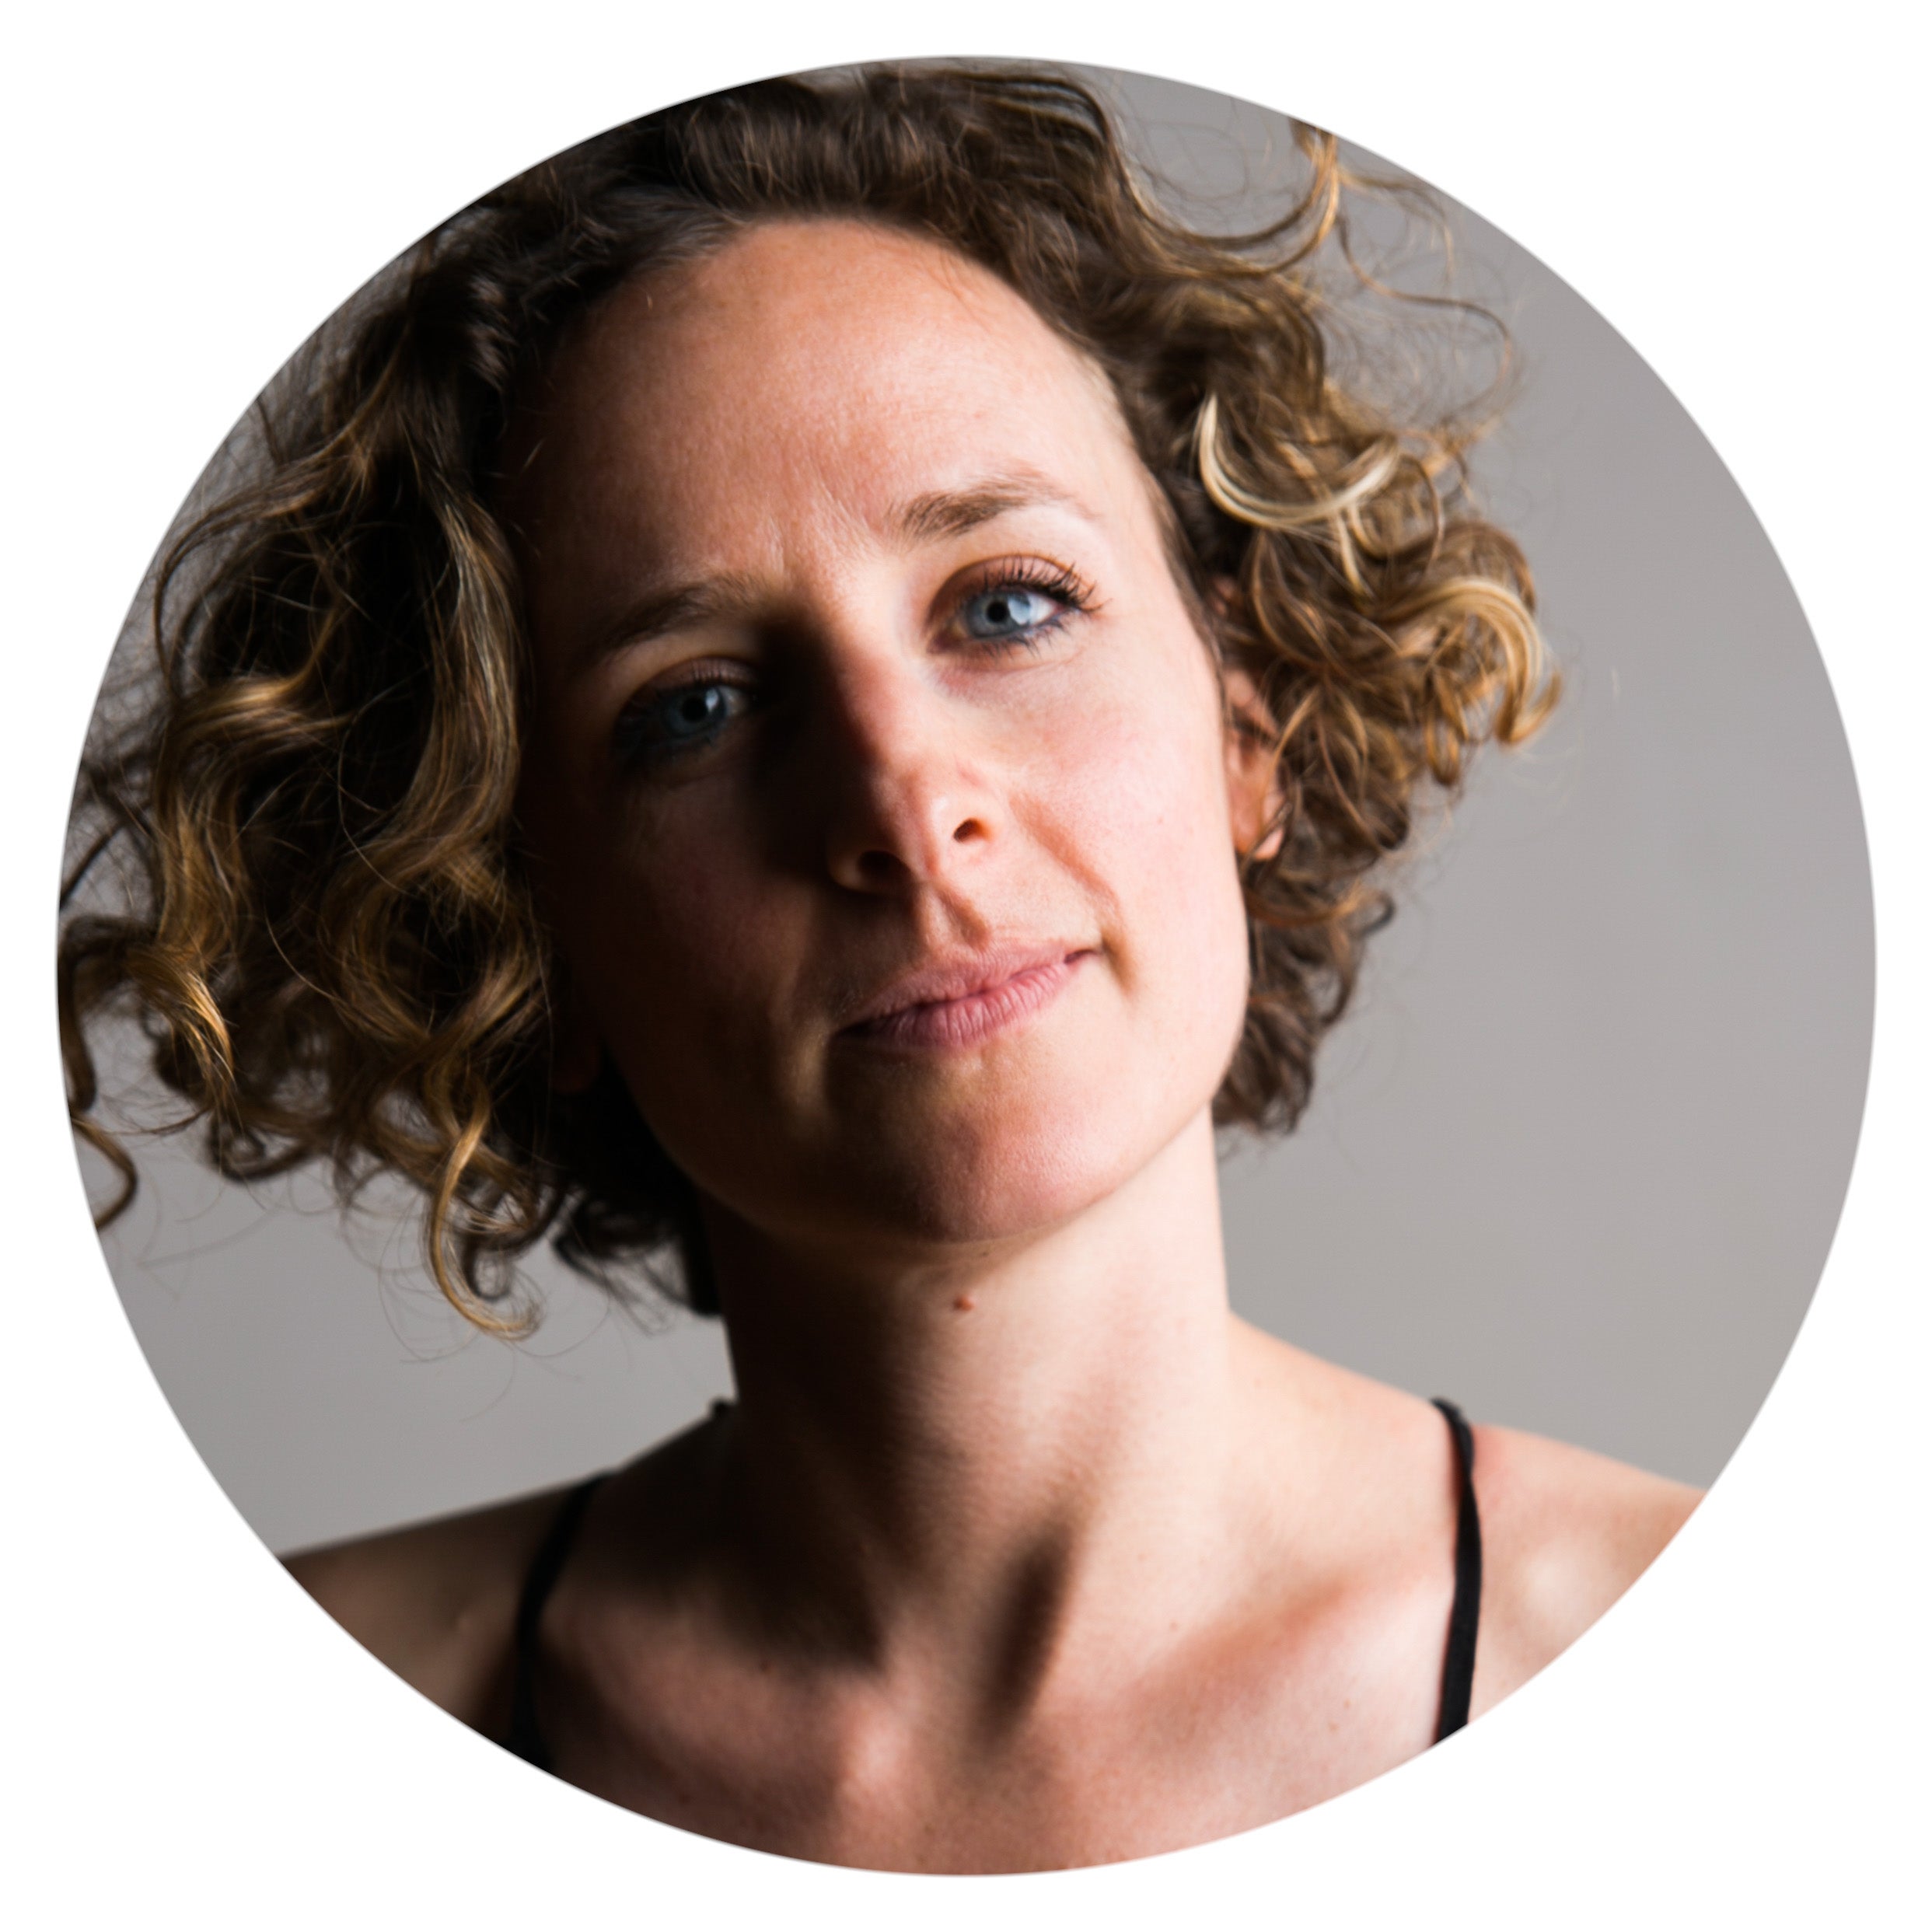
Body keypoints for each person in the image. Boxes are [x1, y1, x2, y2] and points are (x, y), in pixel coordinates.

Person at [60, 65, 1700, 1871]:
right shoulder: (241, 1768)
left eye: (1006, 603)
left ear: (1247, 718)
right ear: (523, 934)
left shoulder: (1744, 1681)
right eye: (693, 707)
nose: (904, 806)